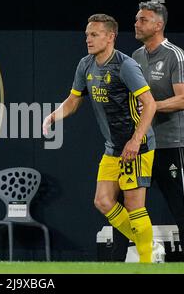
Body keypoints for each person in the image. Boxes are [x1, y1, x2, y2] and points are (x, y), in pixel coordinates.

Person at [43, 14, 157, 262]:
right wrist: (54, 116)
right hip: (113, 147)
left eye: (94, 35)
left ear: (110, 36)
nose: (88, 40)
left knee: (134, 205)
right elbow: (73, 100)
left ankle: (148, 261)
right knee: (103, 201)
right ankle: (146, 243)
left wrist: (136, 140)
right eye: (87, 35)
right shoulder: (85, 64)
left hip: (136, 146)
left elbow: (149, 104)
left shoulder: (125, 65)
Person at [111, 1, 184, 262]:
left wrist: (151, 106)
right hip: (141, 145)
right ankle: (113, 264)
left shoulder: (177, 56)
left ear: (158, 25)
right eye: (137, 19)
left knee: (182, 209)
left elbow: (183, 99)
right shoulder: (135, 57)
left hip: (173, 144)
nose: (136, 24)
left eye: (143, 20)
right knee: (128, 203)